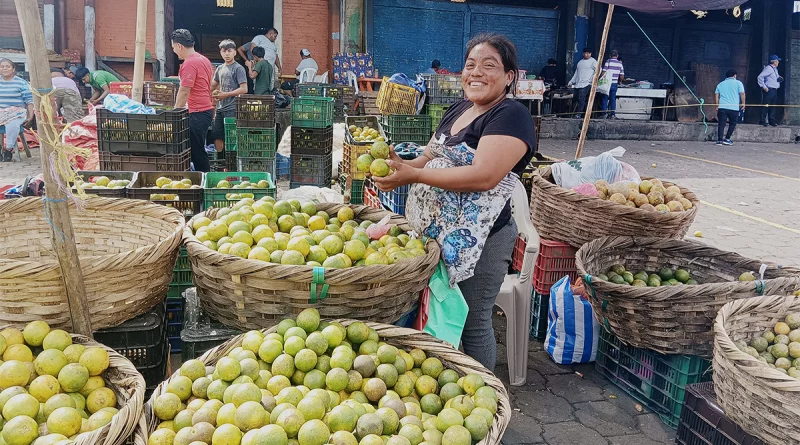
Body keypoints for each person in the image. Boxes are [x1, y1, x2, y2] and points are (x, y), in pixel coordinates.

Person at [372, 33, 536, 371]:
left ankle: (482, 399)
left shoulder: (511, 115)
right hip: (437, 236)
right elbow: (429, 156)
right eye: (470, 65)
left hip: (482, 241)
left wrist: (414, 176)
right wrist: (399, 167)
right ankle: (444, 381)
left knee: (474, 322)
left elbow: (483, 176)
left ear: (509, 77)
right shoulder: (459, 108)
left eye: (489, 65)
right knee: (438, 313)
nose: (476, 72)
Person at [171, 29, 214, 172]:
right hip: (205, 110)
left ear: (179, 46)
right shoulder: (204, 59)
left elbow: (184, 91)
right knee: (198, 149)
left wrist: (175, 113)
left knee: (197, 151)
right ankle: (204, 180)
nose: (174, 51)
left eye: (173, 47)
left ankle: (205, 183)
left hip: (197, 112)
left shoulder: (189, 63)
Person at [212, 40, 248, 154]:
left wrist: (225, 95)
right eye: (224, 51)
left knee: (231, 137)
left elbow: (244, 89)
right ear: (220, 52)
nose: (226, 53)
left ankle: (231, 160)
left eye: (229, 51)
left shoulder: (238, 68)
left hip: (232, 108)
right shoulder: (220, 68)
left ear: (234, 53)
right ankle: (220, 159)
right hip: (220, 108)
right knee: (217, 135)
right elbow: (212, 85)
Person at [0, 58, 34, 162]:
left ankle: (8, 149)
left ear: (13, 69)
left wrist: (30, 117)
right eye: (2, 67)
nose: (5, 68)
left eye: (7, 66)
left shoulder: (21, 83)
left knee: (12, 124)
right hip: (1, 111)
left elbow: (29, 101)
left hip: (17, 112)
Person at [714, 69, 745, 146]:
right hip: (733, 108)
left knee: (721, 124)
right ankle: (727, 139)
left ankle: (719, 140)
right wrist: (743, 103)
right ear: (734, 75)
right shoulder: (738, 83)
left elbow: (716, 95)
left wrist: (717, 105)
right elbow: (742, 93)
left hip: (722, 107)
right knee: (732, 123)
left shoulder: (720, 84)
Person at [568, 48, 597, 119]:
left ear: (590, 54)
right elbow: (576, 73)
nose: (587, 54)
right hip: (578, 84)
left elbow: (599, 70)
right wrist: (571, 81)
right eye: (585, 53)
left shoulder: (593, 61)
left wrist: (592, 79)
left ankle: (579, 114)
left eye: (588, 53)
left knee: (582, 99)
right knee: (576, 99)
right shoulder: (580, 62)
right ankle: (582, 114)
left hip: (586, 84)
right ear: (583, 53)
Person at [757, 55, 782, 127]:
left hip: (774, 89)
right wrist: (764, 86)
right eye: (777, 61)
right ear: (774, 61)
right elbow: (760, 77)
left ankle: (771, 120)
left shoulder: (775, 69)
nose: (778, 62)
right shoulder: (768, 68)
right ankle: (762, 120)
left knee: (772, 105)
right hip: (769, 89)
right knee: (766, 105)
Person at [600, 50, 624, 119]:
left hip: (607, 83)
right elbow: (622, 76)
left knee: (605, 98)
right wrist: (620, 82)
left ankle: (603, 114)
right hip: (614, 83)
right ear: (617, 56)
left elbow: (603, 72)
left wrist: (600, 79)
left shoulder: (608, 61)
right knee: (612, 99)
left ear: (610, 55)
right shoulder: (620, 64)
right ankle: (612, 114)